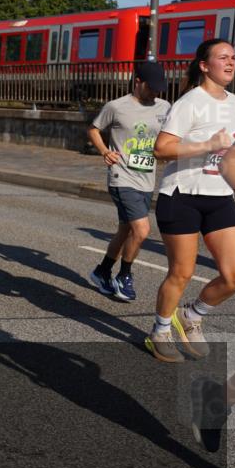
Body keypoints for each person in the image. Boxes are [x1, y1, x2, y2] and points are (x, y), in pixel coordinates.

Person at [144, 38, 235, 363]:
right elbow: (161, 149)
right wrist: (206, 145)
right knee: (182, 272)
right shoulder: (190, 102)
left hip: (219, 196)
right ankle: (160, 331)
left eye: (233, 57)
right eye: (222, 57)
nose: (230, 62)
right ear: (204, 65)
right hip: (182, 196)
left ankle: (192, 315)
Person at [87, 62, 171, 301]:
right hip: (121, 176)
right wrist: (105, 151)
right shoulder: (116, 106)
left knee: (125, 231)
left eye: (158, 88)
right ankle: (124, 276)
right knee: (142, 230)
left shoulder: (165, 107)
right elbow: (93, 129)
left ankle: (102, 271)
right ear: (138, 81)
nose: (155, 92)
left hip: (147, 179)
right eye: (151, 87)